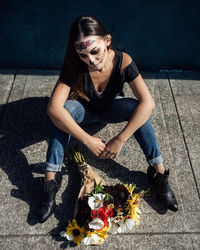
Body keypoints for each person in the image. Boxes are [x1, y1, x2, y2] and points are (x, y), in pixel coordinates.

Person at [37, 15, 178, 223]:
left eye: (95, 51)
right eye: (83, 55)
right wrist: (87, 140)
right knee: (63, 111)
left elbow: (148, 102)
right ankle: (50, 181)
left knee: (136, 108)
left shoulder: (123, 61)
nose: (91, 60)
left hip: (112, 109)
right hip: (81, 113)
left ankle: (158, 172)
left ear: (107, 41)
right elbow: (53, 109)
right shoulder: (74, 65)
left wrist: (119, 139)